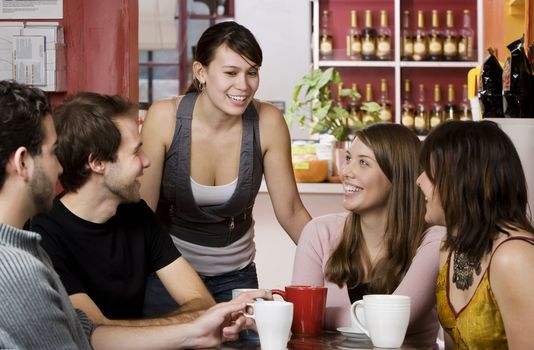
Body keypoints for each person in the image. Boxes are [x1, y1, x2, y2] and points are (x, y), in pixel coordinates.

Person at [0, 80, 267, 349]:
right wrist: (190, 326)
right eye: (51, 153)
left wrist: (197, 329)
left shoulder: (30, 250)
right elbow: (89, 334)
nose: (59, 166)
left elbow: (88, 334)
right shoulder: (22, 265)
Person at [139, 20, 311, 307]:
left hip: (238, 279)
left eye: (252, 72)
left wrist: (337, 266)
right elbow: (142, 211)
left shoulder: (268, 122)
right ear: (201, 72)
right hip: (170, 274)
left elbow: (291, 212)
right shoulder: (164, 118)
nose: (243, 86)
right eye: (231, 72)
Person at [30, 92, 216, 326]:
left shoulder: (137, 213)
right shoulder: (44, 233)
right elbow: (95, 332)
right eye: (136, 151)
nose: (147, 160)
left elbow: (202, 302)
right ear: (97, 163)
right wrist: (188, 325)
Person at [292, 123, 446, 347]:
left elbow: (392, 323)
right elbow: (301, 324)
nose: (346, 171)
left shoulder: (434, 241)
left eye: (363, 162)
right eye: (348, 159)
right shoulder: (319, 232)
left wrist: (318, 315)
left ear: (397, 175)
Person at [417, 120, 534, 349]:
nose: (419, 180)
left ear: (462, 179)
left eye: (429, 172)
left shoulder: (515, 257)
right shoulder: (448, 247)